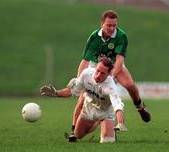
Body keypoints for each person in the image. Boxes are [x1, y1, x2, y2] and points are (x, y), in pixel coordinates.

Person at [69, 9, 151, 139]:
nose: (112, 28)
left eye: (114, 25)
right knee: (82, 97)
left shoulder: (121, 36)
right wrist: (79, 80)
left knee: (129, 85)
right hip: (96, 66)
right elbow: (85, 61)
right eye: (109, 25)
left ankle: (140, 107)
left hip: (114, 65)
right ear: (102, 24)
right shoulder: (94, 37)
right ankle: (73, 131)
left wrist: (111, 77)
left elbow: (119, 60)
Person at [40, 57, 127, 143]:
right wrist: (56, 93)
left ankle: (105, 124)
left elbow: (118, 105)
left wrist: (120, 123)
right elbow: (72, 91)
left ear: (109, 74)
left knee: (107, 141)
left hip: (106, 111)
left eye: (103, 73)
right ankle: (97, 122)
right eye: (98, 71)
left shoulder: (111, 86)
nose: (98, 75)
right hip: (89, 107)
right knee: (78, 135)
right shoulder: (86, 74)